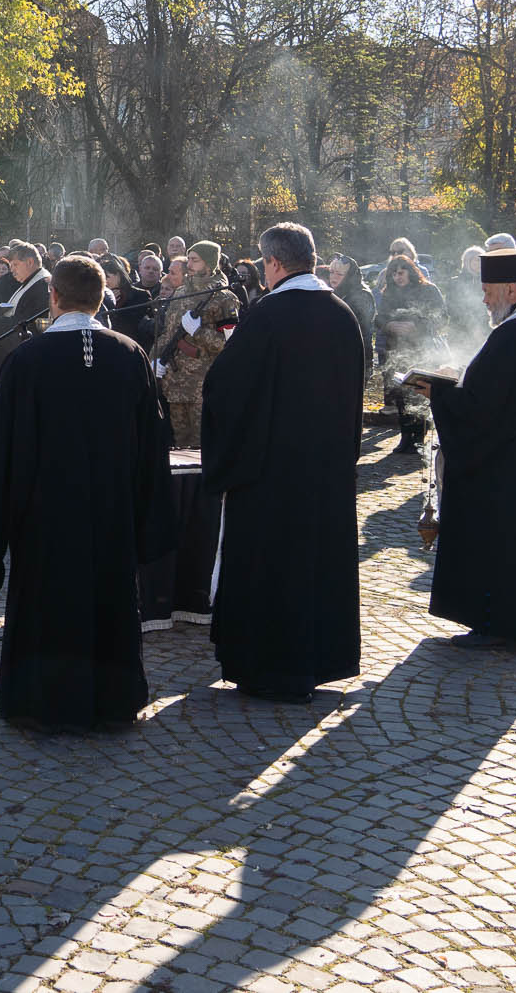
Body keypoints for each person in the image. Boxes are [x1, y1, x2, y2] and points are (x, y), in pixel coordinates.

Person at [0, 255, 172, 731]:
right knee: (108, 600)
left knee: (47, 603)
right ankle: (112, 698)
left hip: (45, 518)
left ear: (53, 298)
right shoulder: (129, 355)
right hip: (111, 515)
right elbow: (153, 446)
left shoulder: (27, 361)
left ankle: (41, 700)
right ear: (102, 300)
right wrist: (145, 516)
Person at [196, 223, 365, 703]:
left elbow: (224, 391)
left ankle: (268, 666)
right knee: (314, 565)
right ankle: (317, 659)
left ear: (272, 263)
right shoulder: (342, 314)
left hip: (268, 476)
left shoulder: (267, 316)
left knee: (272, 568)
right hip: (325, 472)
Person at [417, 249, 516, 655]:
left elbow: (482, 410)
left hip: (504, 465)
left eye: (487, 291)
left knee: (501, 542)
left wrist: (440, 393)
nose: (483, 300)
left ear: (511, 288)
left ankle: (497, 622)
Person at [149, 242, 241, 449]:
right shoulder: (181, 292)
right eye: (188, 258)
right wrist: (155, 358)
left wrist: (198, 332)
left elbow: (231, 344)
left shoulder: (224, 297)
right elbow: (168, 332)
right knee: (179, 446)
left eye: (195, 260)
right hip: (175, 382)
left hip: (203, 384)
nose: (189, 264)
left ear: (209, 263)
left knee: (203, 446)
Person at [376, 255, 448, 459]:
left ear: (410, 271)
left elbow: (441, 316)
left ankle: (418, 437)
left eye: (401, 272)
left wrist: (416, 327)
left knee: (418, 394)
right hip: (395, 349)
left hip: (421, 350)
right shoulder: (389, 293)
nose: (397, 277)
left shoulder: (429, 290)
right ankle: (405, 435)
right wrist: (390, 325)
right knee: (400, 395)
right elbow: (379, 318)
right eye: (394, 273)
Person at [326, 254, 376, 369]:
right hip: (338, 356)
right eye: (331, 272)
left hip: (357, 359)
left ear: (349, 276)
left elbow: (352, 328)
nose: (334, 277)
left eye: (339, 274)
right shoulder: (336, 291)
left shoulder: (362, 296)